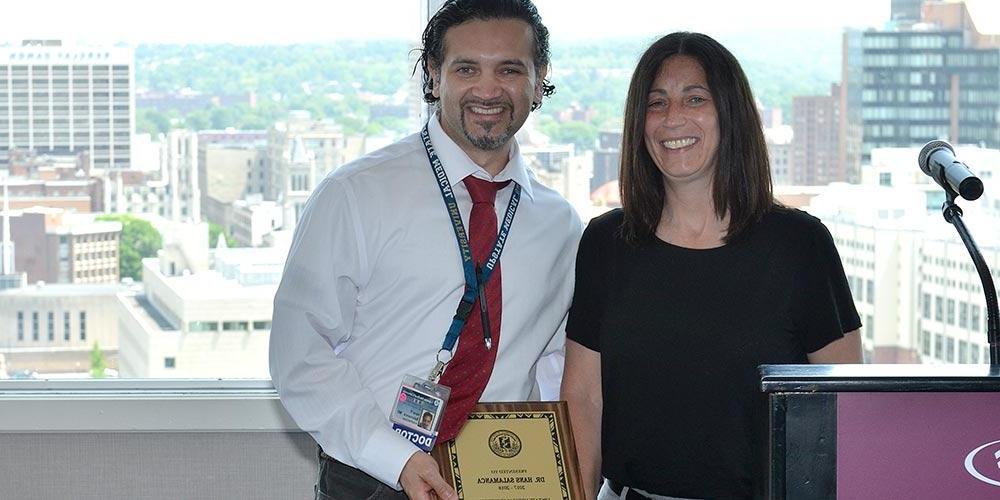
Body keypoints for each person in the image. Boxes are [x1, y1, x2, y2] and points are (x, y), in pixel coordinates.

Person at [269, 1, 581, 499]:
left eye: (509, 69)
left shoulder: (560, 224)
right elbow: (299, 354)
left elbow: (557, 368)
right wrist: (396, 459)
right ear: (433, 76)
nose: (488, 89)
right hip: (376, 476)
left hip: (506, 476)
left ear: (539, 79)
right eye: (466, 68)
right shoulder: (357, 194)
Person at [560, 32, 862, 500]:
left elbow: (842, 407)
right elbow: (584, 399)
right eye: (655, 103)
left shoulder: (800, 245)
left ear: (730, 114)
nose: (672, 118)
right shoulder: (606, 243)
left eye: (694, 98)